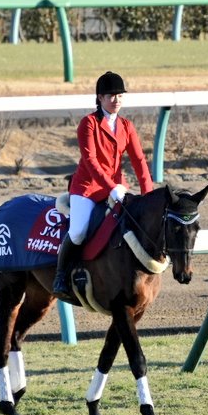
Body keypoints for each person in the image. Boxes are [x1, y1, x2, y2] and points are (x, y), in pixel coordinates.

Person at [53, 71, 155, 296]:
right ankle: (61, 276)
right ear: (100, 98)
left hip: (117, 187)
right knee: (78, 232)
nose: (116, 100)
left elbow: (139, 160)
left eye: (120, 95)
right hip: (87, 188)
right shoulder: (88, 123)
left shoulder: (127, 126)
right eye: (111, 96)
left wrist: (148, 194)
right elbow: (90, 161)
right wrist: (111, 187)